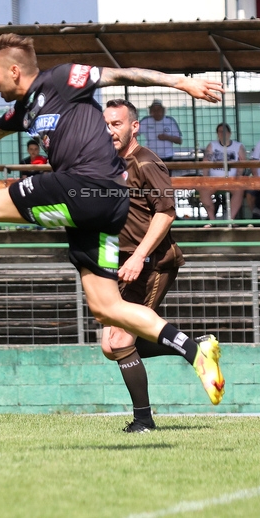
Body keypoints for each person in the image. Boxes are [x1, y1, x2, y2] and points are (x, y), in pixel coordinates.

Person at [0, 33, 225, 405]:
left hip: (88, 186)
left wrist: (182, 82)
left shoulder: (61, 79)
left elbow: (122, 74)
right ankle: (193, 351)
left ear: (14, 70)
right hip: (99, 207)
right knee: (106, 307)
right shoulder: (24, 110)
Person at [102, 99, 188, 433]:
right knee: (109, 347)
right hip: (125, 266)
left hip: (153, 264)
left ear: (133, 126)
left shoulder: (147, 162)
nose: (111, 130)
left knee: (122, 340)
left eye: (117, 124)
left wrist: (139, 256)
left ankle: (143, 421)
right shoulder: (111, 163)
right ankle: (190, 346)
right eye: (106, 124)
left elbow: (165, 213)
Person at [197, 123, 246, 222]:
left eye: (224, 131)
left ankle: (230, 219)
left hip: (232, 180)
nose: (222, 134)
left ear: (229, 133)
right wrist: (205, 178)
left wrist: (238, 177)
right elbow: (205, 163)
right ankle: (212, 219)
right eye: (219, 131)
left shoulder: (238, 146)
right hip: (214, 180)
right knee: (203, 190)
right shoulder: (212, 146)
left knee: (239, 190)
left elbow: (242, 164)